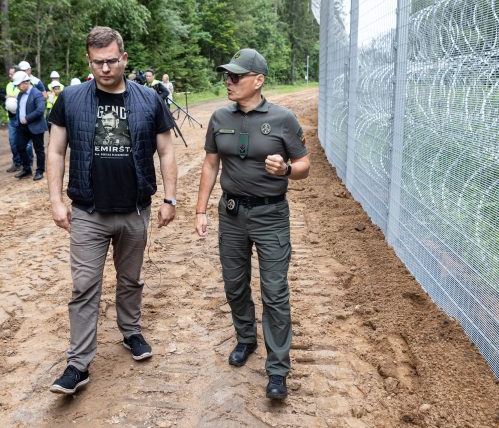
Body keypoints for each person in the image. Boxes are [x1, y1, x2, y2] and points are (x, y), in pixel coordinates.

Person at [47, 26, 178, 395]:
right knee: (85, 285)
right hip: (88, 210)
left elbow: (166, 150)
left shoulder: (149, 99)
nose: (104, 68)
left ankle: (131, 332)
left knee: (131, 278)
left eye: (111, 61)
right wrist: (57, 201)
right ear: (89, 61)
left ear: (124, 58)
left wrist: (170, 198)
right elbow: (56, 151)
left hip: (135, 209)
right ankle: (78, 363)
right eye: (97, 62)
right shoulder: (70, 99)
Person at [194, 48, 310, 399]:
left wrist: (286, 169)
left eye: (236, 76)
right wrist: (199, 210)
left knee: (274, 293)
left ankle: (277, 369)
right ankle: (246, 339)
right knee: (235, 285)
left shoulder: (283, 119)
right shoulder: (219, 117)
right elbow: (211, 165)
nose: (228, 82)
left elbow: (304, 166)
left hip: (270, 215)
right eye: (226, 76)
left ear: (258, 81)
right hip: (231, 216)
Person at [12, 70, 48, 181]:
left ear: (26, 82)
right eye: (17, 85)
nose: (18, 87)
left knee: (38, 150)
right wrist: (18, 121)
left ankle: (40, 171)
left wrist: (27, 118)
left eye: (19, 85)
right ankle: (27, 169)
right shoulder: (20, 94)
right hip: (23, 127)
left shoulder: (37, 93)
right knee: (20, 146)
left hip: (35, 126)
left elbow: (40, 109)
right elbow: (19, 109)